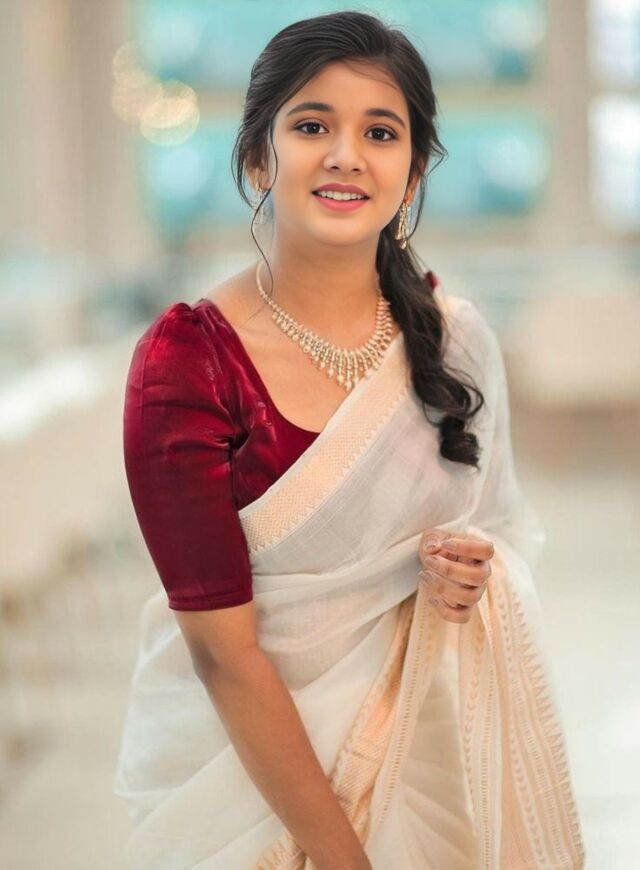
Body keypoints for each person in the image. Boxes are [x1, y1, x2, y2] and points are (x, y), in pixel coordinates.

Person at [113, 11, 586, 869]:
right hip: (243, 791)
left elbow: (506, 528)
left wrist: (468, 576)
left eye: (380, 132)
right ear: (258, 158)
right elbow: (223, 654)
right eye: (311, 126)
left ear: (412, 174)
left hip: (429, 759)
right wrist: (342, 857)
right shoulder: (188, 363)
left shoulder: (455, 339)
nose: (345, 155)